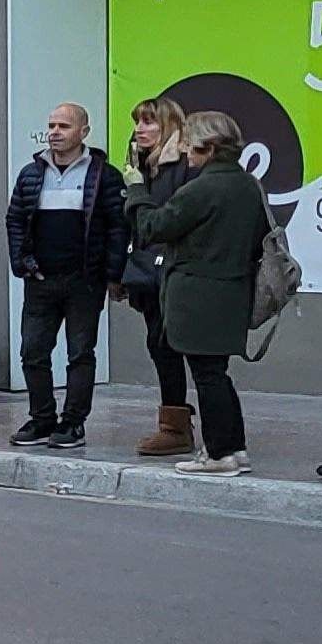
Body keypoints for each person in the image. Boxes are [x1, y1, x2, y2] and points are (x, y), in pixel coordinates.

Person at [130, 109, 271, 476]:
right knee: (217, 373)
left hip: (198, 295)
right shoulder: (247, 185)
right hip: (233, 289)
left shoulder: (203, 188)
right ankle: (234, 448)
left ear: (209, 148)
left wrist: (136, 190)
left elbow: (151, 227)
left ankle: (219, 454)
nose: (187, 154)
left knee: (207, 376)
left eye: (192, 146)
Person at [2, 102, 129, 449]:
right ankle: (41, 418)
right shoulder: (32, 173)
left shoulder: (104, 174)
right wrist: (22, 262)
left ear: (83, 132)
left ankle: (73, 423)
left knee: (80, 353)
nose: (55, 132)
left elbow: (119, 227)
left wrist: (112, 274)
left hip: (83, 281)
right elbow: (15, 219)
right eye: (52, 125)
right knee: (33, 351)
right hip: (40, 279)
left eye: (64, 126)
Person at [121, 98, 201, 456]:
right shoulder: (141, 166)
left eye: (149, 122)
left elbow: (164, 221)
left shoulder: (184, 165)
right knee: (159, 345)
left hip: (178, 273)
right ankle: (174, 424)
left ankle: (182, 428)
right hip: (150, 275)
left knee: (180, 347)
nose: (140, 129)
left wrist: (137, 190)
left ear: (169, 126)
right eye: (137, 122)